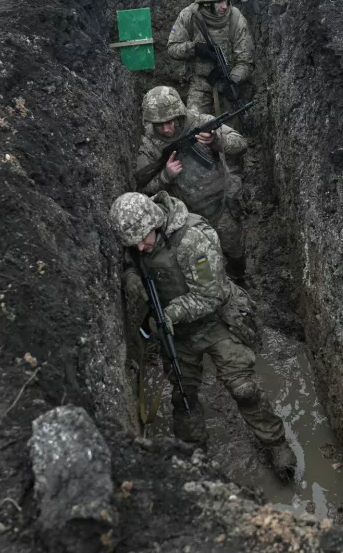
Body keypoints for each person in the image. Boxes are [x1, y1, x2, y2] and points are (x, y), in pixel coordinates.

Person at [109, 190, 297, 481]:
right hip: (180, 334)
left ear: (155, 223)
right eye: (134, 244)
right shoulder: (139, 241)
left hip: (216, 320)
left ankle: (276, 443)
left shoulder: (192, 239)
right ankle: (194, 459)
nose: (141, 248)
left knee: (243, 389)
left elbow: (213, 295)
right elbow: (129, 263)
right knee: (183, 399)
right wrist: (132, 278)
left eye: (144, 240)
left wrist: (171, 314)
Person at [135, 85, 246, 280]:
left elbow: (240, 143)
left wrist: (216, 141)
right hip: (188, 221)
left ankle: (239, 280)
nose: (167, 129)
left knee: (235, 252)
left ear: (178, 114)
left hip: (222, 207)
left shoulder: (200, 121)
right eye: (159, 124)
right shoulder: (149, 146)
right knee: (203, 269)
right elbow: (141, 193)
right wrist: (165, 176)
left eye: (170, 122)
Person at [166, 0, 255, 115]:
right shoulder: (189, 16)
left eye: (227, 0)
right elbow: (172, 48)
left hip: (227, 85)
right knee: (195, 127)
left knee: (232, 131)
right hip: (200, 85)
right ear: (206, 3)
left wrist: (234, 80)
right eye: (219, 1)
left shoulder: (236, 19)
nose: (225, 6)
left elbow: (246, 61)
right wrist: (194, 48)